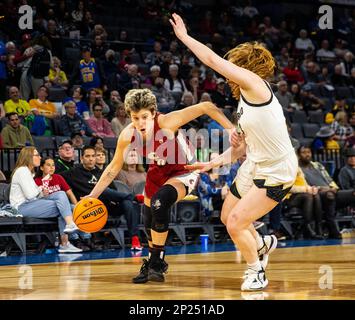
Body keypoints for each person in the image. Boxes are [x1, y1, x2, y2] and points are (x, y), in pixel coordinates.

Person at [170, 13, 297, 291]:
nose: (228, 69)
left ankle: (256, 271)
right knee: (228, 217)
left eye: (233, 64)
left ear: (244, 67)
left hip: (277, 168)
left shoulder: (256, 85)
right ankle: (262, 244)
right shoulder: (244, 101)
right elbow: (241, 149)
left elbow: (213, 61)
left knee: (238, 222)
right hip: (254, 163)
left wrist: (185, 38)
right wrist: (212, 162)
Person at [83, 88, 235, 284]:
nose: (140, 123)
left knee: (159, 203)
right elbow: (113, 168)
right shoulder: (127, 135)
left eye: (144, 117)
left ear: (153, 113)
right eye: (135, 117)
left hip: (184, 170)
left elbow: (206, 106)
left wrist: (231, 129)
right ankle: (154, 262)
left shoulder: (166, 121)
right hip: (157, 173)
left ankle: (156, 262)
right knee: (147, 223)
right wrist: (92, 196)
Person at [60, 146, 142, 250]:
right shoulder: (73, 172)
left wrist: (114, 201)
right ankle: (134, 197)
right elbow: (56, 178)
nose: (91, 159)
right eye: (87, 156)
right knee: (102, 190)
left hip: (107, 207)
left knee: (127, 203)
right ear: (81, 158)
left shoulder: (102, 173)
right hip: (90, 209)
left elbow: (114, 190)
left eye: (93, 156)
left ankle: (135, 239)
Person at [9, 147, 82, 253]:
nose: (40, 157)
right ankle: (71, 238)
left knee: (62, 196)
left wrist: (42, 192)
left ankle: (69, 231)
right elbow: (30, 196)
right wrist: (41, 189)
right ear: (28, 157)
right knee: (65, 207)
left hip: (32, 203)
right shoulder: (22, 171)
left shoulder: (29, 172)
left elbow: (35, 195)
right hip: (22, 207)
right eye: (37, 155)